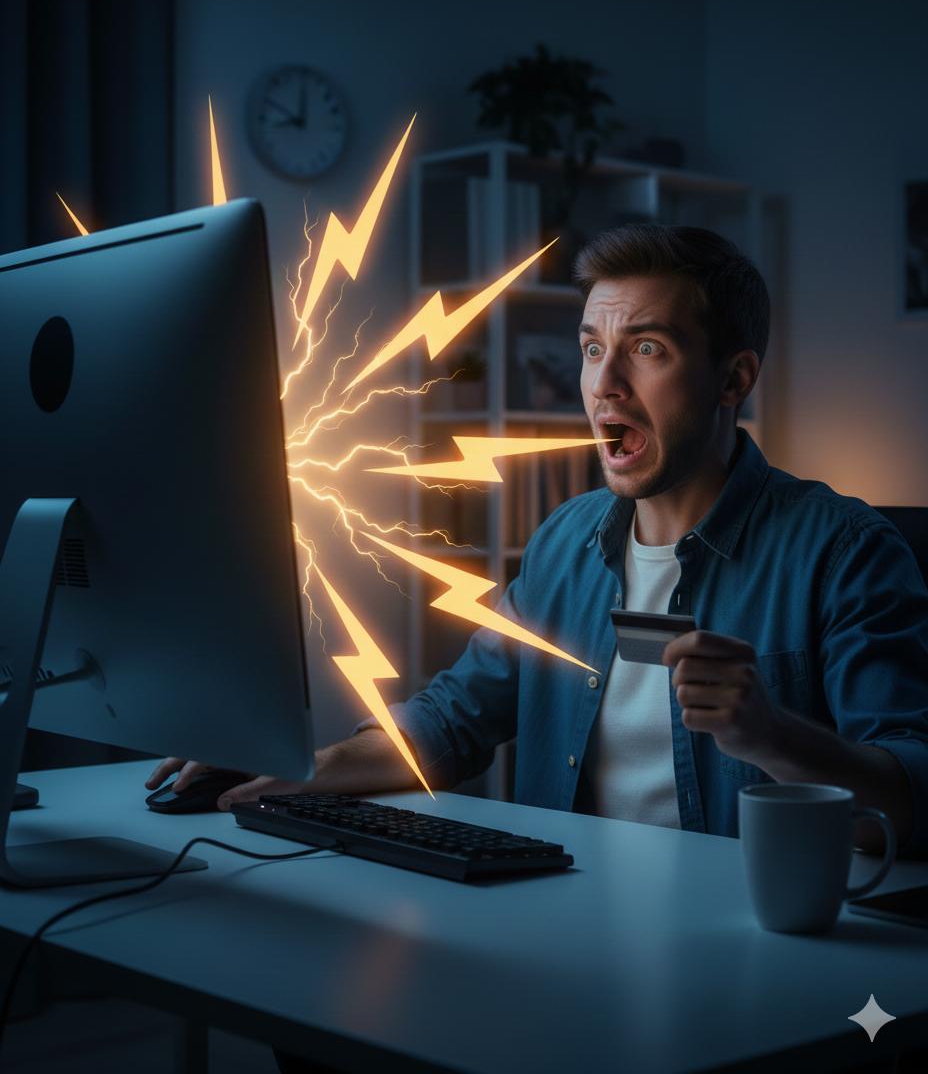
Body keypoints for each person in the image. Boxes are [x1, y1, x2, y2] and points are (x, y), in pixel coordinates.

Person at [146, 224, 928, 859]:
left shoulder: (846, 550)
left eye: (647, 349)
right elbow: (453, 722)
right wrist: (291, 768)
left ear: (734, 378)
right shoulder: (564, 543)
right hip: (568, 926)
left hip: (749, 955)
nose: (604, 385)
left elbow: (910, 796)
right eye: (592, 348)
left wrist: (771, 736)